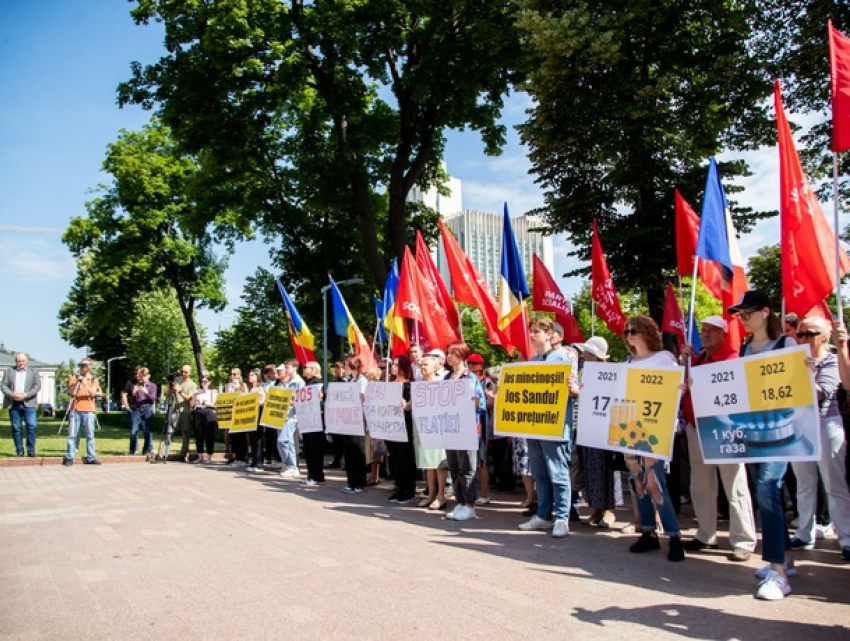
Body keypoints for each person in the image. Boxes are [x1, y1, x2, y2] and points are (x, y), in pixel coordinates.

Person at [728, 290, 794, 599]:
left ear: (766, 312)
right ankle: (782, 556)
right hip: (753, 430)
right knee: (766, 492)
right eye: (740, 314)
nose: (743, 319)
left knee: (768, 487)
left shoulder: (785, 345)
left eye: (748, 313)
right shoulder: (744, 349)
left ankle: (778, 572)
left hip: (781, 430)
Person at [680, 316, 757, 562]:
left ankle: (743, 539)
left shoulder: (732, 358)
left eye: (711, 331)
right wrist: (685, 364)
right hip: (697, 427)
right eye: (703, 331)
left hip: (724, 429)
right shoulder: (698, 359)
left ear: (723, 333)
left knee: (734, 483)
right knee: (701, 484)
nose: (705, 335)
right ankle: (706, 534)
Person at [620, 314, 685, 562]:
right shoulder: (627, 363)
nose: (629, 335)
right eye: (626, 332)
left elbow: (673, 391)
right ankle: (648, 531)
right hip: (629, 428)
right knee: (637, 484)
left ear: (647, 331)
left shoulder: (664, 359)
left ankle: (674, 535)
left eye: (633, 330)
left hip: (655, 431)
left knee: (655, 482)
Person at [789, 317, 850, 561]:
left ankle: (845, 536)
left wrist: (804, 372)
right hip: (800, 425)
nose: (803, 338)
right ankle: (805, 532)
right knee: (804, 484)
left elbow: (821, 393)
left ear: (824, 337)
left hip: (826, 424)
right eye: (800, 334)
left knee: (834, 486)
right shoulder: (794, 359)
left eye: (809, 333)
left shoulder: (832, 360)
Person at [518, 316, 579, 538]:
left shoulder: (562, 358)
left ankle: (562, 517)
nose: (533, 335)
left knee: (558, 473)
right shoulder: (534, 360)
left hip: (555, 427)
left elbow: (574, 391)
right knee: (540, 474)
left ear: (549, 334)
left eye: (537, 331)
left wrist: (573, 389)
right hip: (534, 426)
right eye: (531, 331)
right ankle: (543, 516)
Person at [574, 336, 622, 528]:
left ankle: (609, 509)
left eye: (587, 352)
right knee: (590, 467)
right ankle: (596, 507)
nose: (583, 355)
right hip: (588, 425)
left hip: (607, 427)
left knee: (607, 467)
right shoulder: (583, 373)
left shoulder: (612, 373)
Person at [444, 341, 486, 522]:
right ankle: (460, 502)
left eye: (451, 353)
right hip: (450, 428)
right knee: (454, 467)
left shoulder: (470, 378)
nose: (448, 356)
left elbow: (481, 403)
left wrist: (474, 401)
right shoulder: (446, 378)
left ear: (460, 355)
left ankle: (469, 505)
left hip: (467, 429)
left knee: (467, 467)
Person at [415, 352, 449, 509]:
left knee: (439, 464)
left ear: (435, 367)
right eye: (421, 365)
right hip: (424, 429)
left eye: (426, 365)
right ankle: (431, 495)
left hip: (438, 428)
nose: (423, 367)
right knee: (429, 463)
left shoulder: (441, 383)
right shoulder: (419, 384)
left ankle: (441, 496)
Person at [388, 355, 418, 504]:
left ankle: (409, 490)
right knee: (395, 458)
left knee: (405, 458)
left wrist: (406, 405)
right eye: (392, 364)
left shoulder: (409, 386)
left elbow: (413, 406)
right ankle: (399, 487)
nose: (392, 367)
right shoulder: (388, 385)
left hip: (405, 427)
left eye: (395, 364)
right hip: (391, 428)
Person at [64, 359, 102, 466]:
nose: (82, 367)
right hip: (75, 409)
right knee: (72, 434)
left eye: (84, 365)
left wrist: (86, 384)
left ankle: (91, 457)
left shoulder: (94, 379)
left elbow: (93, 393)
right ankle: (70, 457)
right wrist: (78, 383)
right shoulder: (74, 378)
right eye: (80, 365)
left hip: (89, 410)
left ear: (89, 366)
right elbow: (72, 393)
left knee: (90, 434)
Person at [2, 352, 41, 457]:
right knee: (16, 428)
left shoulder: (33, 372)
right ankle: (19, 450)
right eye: (19, 361)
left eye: (23, 361)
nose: (21, 363)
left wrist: (26, 395)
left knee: (32, 426)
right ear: (16, 362)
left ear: (26, 361)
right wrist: (12, 394)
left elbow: (37, 386)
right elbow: (4, 386)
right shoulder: (9, 371)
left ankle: (31, 450)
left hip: (29, 403)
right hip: (13, 403)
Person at [121, 366, 157, 457]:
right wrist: (134, 393)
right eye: (140, 376)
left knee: (147, 431)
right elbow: (132, 398)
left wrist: (146, 392)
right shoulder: (135, 385)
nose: (141, 378)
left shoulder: (152, 386)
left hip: (147, 409)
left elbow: (153, 399)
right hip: (137, 409)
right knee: (133, 431)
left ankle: (146, 450)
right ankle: (133, 450)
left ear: (148, 376)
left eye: (143, 376)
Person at [277, 360, 304, 478]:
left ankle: (291, 465)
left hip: (293, 416)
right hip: (285, 415)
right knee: (290, 442)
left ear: (294, 368)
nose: (286, 370)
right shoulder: (288, 382)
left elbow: (301, 399)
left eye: (287, 367)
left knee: (282, 440)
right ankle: (292, 466)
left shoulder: (299, 382)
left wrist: (291, 401)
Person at [301, 361, 326, 485]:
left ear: (313, 370)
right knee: (308, 448)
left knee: (315, 448)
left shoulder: (318, 384)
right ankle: (311, 474)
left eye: (306, 367)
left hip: (316, 421)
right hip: (307, 420)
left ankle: (316, 475)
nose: (304, 369)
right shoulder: (307, 383)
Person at [325, 361, 347, 469]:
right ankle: (336, 460)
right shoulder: (333, 381)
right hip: (335, 413)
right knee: (336, 439)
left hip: (345, 413)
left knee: (344, 439)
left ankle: (345, 461)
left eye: (339, 368)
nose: (337, 371)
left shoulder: (347, 381)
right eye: (335, 369)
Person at [192, 370, 218, 464]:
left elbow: (216, 405)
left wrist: (205, 403)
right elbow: (192, 404)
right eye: (202, 382)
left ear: (209, 382)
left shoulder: (213, 392)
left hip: (208, 412)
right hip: (198, 412)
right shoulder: (197, 392)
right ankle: (200, 456)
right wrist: (195, 396)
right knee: (198, 434)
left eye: (205, 382)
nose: (203, 383)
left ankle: (209, 457)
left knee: (209, 435)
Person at [176, 364, 198, 462]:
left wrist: (180, 391)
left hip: (185, 411)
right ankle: (164, 452)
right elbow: (168, 395)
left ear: (190, 373)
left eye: (185, 372)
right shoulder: (178, 382)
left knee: (185, 433)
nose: (183, 374)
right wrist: (170, 386)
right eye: (182, 371)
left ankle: (183, 454)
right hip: (174, 410)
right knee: (168, 431)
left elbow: (189, 399)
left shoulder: (193, 385)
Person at [245, 369, 267, 472]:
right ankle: (253, 462)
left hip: (258, 415)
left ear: (257, 376)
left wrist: (257, 402)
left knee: (258, 440)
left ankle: (259, 463)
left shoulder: (260, 388)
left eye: (252, 375)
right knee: (252, 440)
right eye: (249, 375)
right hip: (251, 417)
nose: (250, 377)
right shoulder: (250, 388)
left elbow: (263, 401)